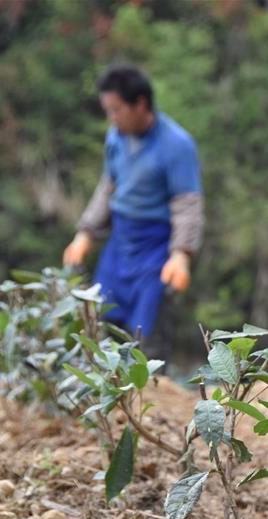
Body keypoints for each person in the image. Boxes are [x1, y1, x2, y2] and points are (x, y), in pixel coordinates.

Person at [62, 65, 204, 360]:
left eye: (117, 110)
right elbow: (108, 187)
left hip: (155, 248)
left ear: (140, 104)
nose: (112, 118)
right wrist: (85, 234)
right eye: (108, 111)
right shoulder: (116, 138)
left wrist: (181, 254)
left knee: (146, 336)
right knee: (101, 320)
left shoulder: (176, 145)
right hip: (120, 242)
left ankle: (150, 387)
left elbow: (187, 204)